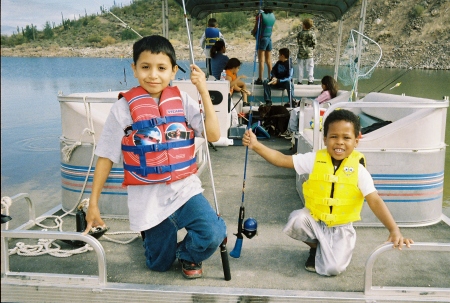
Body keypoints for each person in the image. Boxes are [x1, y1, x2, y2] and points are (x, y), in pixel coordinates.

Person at [84, 35, 227, 279]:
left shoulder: (182, 100)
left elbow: (213, 135)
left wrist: (203, 90)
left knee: (213, 234)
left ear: (173, 71)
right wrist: (93, 203)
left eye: (161, 68)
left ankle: (188, 255)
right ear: (134, 69)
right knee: (159, 265)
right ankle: (154, 241)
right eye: (145, 67)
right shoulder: (122, 109)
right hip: (148, 199)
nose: (153, 75)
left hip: (184, 191)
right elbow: (106, 156)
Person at [242, 109, 413, 276]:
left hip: (341, 228)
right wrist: (256, 145)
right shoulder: (314, 159)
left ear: (356, 141)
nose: (339, 142)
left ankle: (331, 250)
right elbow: (281, 160)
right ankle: (316, 247)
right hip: (315, 219)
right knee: (296, 219)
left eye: (346, 138)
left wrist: (394, 229)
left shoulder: (359, 171)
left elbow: (375, 201)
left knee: (332, 269)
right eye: (333, 137)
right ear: (325, 139)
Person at [251, 9, 276, 85]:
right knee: (268, 60)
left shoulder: (260, 15)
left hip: (262, 39)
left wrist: (253, 32)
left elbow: (256, 28)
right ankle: (270, 77)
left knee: (261, 60)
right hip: (269, 38)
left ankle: (260, 79)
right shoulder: (272, 16)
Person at [296, 18, 317, 85]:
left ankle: (300, 81)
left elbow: (298, 42)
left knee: (300, 67)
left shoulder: (300, 33)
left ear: (304, 25)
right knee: (310, 67)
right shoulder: (312, 34)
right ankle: (310, 80)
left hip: (301, 53)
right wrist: (312, 48)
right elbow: (314, 43)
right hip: (309, 53)